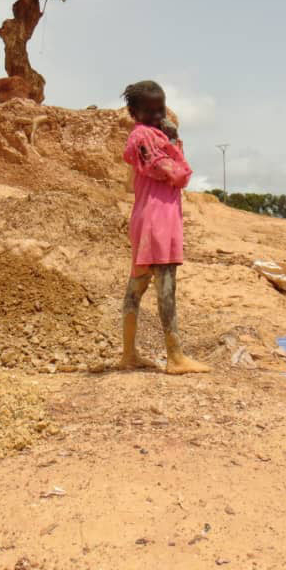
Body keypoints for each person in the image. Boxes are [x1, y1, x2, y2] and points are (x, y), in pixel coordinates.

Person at [120, 80, 211, 375]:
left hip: (150, 216)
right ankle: (175, 357)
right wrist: (174, 143)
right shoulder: (144, 138)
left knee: (137, 287)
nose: (158, 115)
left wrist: (173, 142)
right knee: (166, 286)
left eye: (161, 108)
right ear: (134, 112)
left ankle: (129, 354)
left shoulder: (148, 135)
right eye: (150, 110)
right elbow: (175, 174)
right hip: (158, 219)